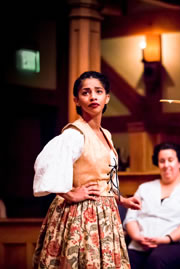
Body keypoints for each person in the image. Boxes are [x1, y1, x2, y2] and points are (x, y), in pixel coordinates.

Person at [32, 71, 141, 268]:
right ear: (76, 100)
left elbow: (106, 174)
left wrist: (121, 199)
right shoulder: (75, 134)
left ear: (107, 97)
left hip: (106, 214)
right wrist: (70, 194)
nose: (93, 97)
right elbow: (45, 165)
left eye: (98, 91)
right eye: (86, 92)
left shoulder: (105, 133)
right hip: (82, 213)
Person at [123, 142, 180, 269]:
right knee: (123, 260)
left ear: (179, 163)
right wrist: (137, 237)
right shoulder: (144, 188)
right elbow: (131, 218)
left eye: (170, 160)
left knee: (157, 259)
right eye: (162, 161)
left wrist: (166, 239)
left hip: (178, 244)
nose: (166, 165)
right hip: (140, 244)